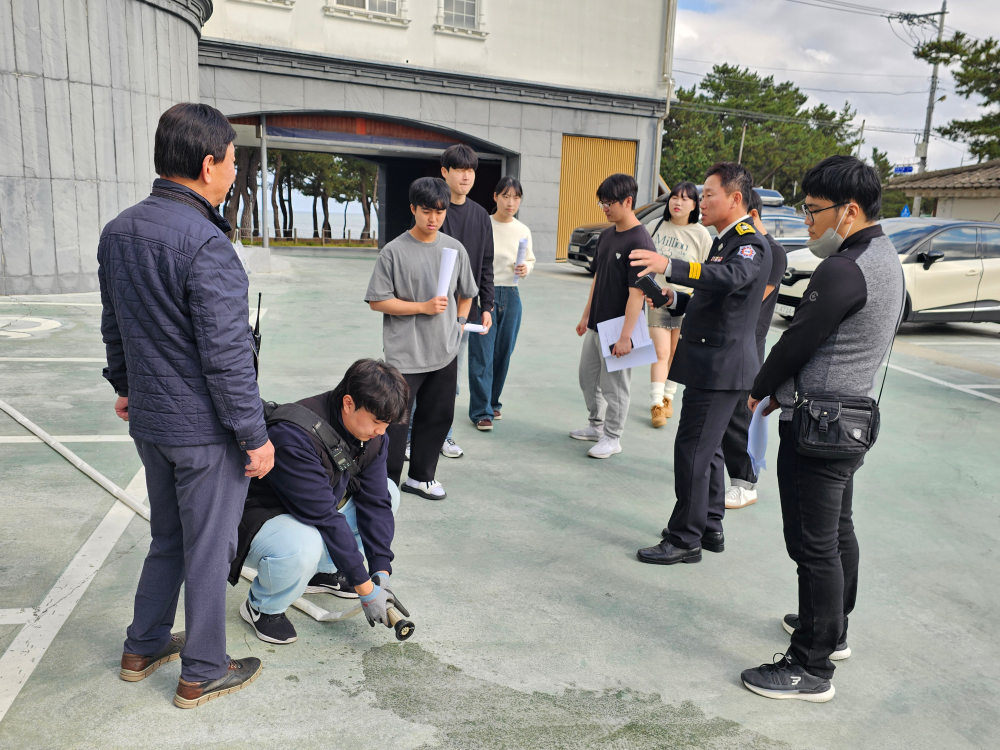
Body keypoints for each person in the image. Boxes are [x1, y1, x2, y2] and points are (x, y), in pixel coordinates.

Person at [100, 103, 273, 708]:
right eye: (232, 160)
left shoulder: (119, 230)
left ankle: (142, 645)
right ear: (208, 165)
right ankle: (202, 667)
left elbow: (115, 324)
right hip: (203, 433)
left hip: (150, 420)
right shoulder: (207, 243)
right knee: (208, 547)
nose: (233, 171)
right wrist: (254, 435)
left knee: (168, 538)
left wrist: (124, 383)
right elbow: (227, 357)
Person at [740, 156, 904, 702]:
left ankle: (809, 667)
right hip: (850, 419)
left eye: (814, 211)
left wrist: (759, 387)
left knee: (813, 545)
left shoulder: (843, 269)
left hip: (818, 422)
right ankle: (832, 633)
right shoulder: (885, 258)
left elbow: (799, 338)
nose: (808, 222)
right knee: (836, 533)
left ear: (849, 211)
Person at [630, 162, 771, 565]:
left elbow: (728, 278)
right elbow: (717, 301)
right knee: (707, 452)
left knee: (692, 450)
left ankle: (684, 538)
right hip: (714, 360)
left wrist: (669, 266)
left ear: (735, 198)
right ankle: (708, 526)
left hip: (720, 365)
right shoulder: (723, 240)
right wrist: (673, 299)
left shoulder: (748, 242)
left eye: (709, 195)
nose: (701, 202)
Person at [229, 359, 408, 644]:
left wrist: (380, 572)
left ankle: (320, 575)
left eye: (386, 424)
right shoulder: (294, 436)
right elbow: (326, 518)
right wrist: (366, 590)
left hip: (309, 509)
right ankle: (262, 607)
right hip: (255, 519)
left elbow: (375, 502)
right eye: (376, 422)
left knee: (389, 491)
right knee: (305, 543)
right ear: (349, 403)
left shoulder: (372, 435)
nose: (381, 432)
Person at [366, 177, 478, 500]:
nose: (433, 219)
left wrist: (458, 323)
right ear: (413, 208)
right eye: (427, 211)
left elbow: (467, 292)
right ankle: (385, 483)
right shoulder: (394, 252)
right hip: (405, 353)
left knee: (437, 415)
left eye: (440, 212)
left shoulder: (454, 249)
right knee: (395, 422)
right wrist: (422, 307)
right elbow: (377, 300)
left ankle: (421, 477)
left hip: (444, 348)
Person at [570, 173, 652, 459]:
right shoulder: (606, 235)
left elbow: (637, 294)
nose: (605, 208)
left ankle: (613, 436)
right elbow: (597, 279)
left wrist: (626, 336)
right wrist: (585, 316)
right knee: (587, 377)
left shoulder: (640, 241)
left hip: (620, 326)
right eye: (602, 202)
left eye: (610, 202)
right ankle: (596, 425)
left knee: (615, 386)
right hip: (596, 323)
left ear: (628, 201)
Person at [720, 189, 788, 509]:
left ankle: (746, 483)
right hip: (725, 341)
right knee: (719, 412)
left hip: (748, 344)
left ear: (754, 215)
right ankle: (717, 470)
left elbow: (752, 298)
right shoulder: (740, 246)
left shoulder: (772, 251)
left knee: (738, 416)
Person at [438, 143, 495, 457]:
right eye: (459, 169)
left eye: (471, 169)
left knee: (449, 378)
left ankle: (442, 435)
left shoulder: (480, 215)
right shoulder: (434, 210)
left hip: (465, 310)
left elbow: (486, 264)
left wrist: (486, 307)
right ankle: (408, 437)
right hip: (433, 309)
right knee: (421, 375)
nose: (466, 176)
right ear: (445, 172)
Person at [467, 176, 536, 430]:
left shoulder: (522, 230)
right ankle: (480, 412)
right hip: (485, 294)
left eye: (516, 197)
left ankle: (493, 403)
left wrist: (525, 267)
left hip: (513, 294)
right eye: (506, 196)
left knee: (502, 354)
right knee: (481, 355)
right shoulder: (482, 224)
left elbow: (530, 260)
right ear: (495, 197)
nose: (511, 202)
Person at [645, 181, 713, 427]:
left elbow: (708, 272)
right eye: (674, 197)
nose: (678, 202)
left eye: (685, 198)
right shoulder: (655, 226)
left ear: (695, 205)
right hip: (657, 299)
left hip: (687, 302)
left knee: (677, 352)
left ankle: (667, 398)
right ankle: (655, 404)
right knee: (660, 352)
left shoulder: (701, 234)